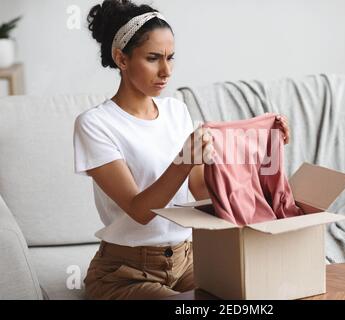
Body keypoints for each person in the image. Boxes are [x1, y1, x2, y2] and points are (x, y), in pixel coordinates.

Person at [73, 0, 290, 299]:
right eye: (153, 58)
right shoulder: (95, 124)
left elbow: (201, 191)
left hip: (189, 260)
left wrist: (263, 145)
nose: (166, 70)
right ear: (121, 59)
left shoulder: (176, 111)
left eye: (170, 57)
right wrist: (183, 160)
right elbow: (139, 211)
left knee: (256, 296)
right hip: (124, 273)